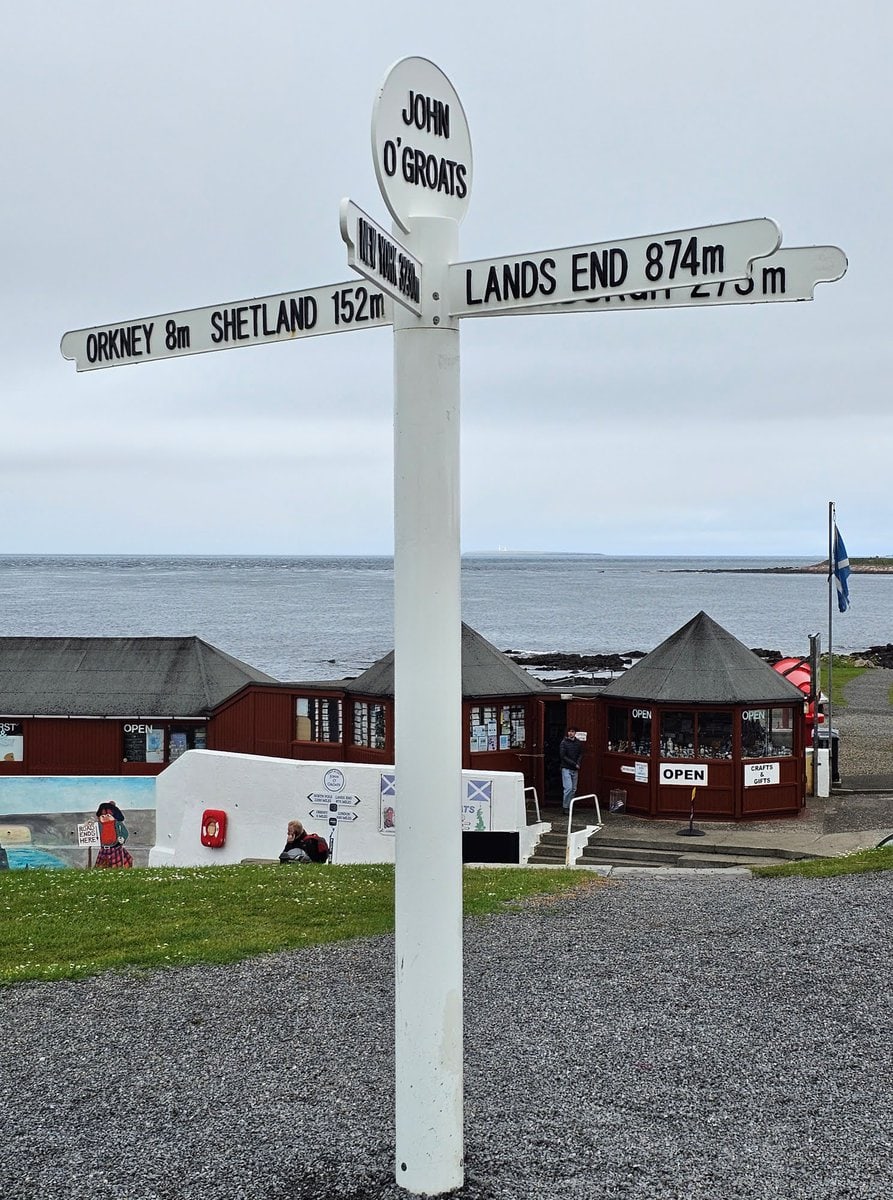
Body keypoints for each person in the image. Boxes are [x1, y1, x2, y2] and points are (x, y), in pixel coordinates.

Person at [94, 802, 133, 868]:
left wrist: (122, 838)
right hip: (103, 850)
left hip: (115, 848)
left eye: (108, 815)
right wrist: (88, 824)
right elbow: (93, 828)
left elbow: (125, 832)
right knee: (101, 866)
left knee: (117, 866)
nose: (105, 817)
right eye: (102, 816)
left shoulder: (117, 823)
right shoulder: (99, 825)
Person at [559, 728, 584, 812]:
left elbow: (580, 753)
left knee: (573, 789)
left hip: (575, 769)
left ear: (575, 733)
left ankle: (570, 806)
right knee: (568, 788)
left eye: (572, 731)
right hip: (566, 768)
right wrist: (574, 764)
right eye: (569, 731)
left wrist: (578, 763)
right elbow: (563, 756)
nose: (570, 733)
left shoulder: (578, 743)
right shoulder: (563, 743)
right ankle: (565, 807)